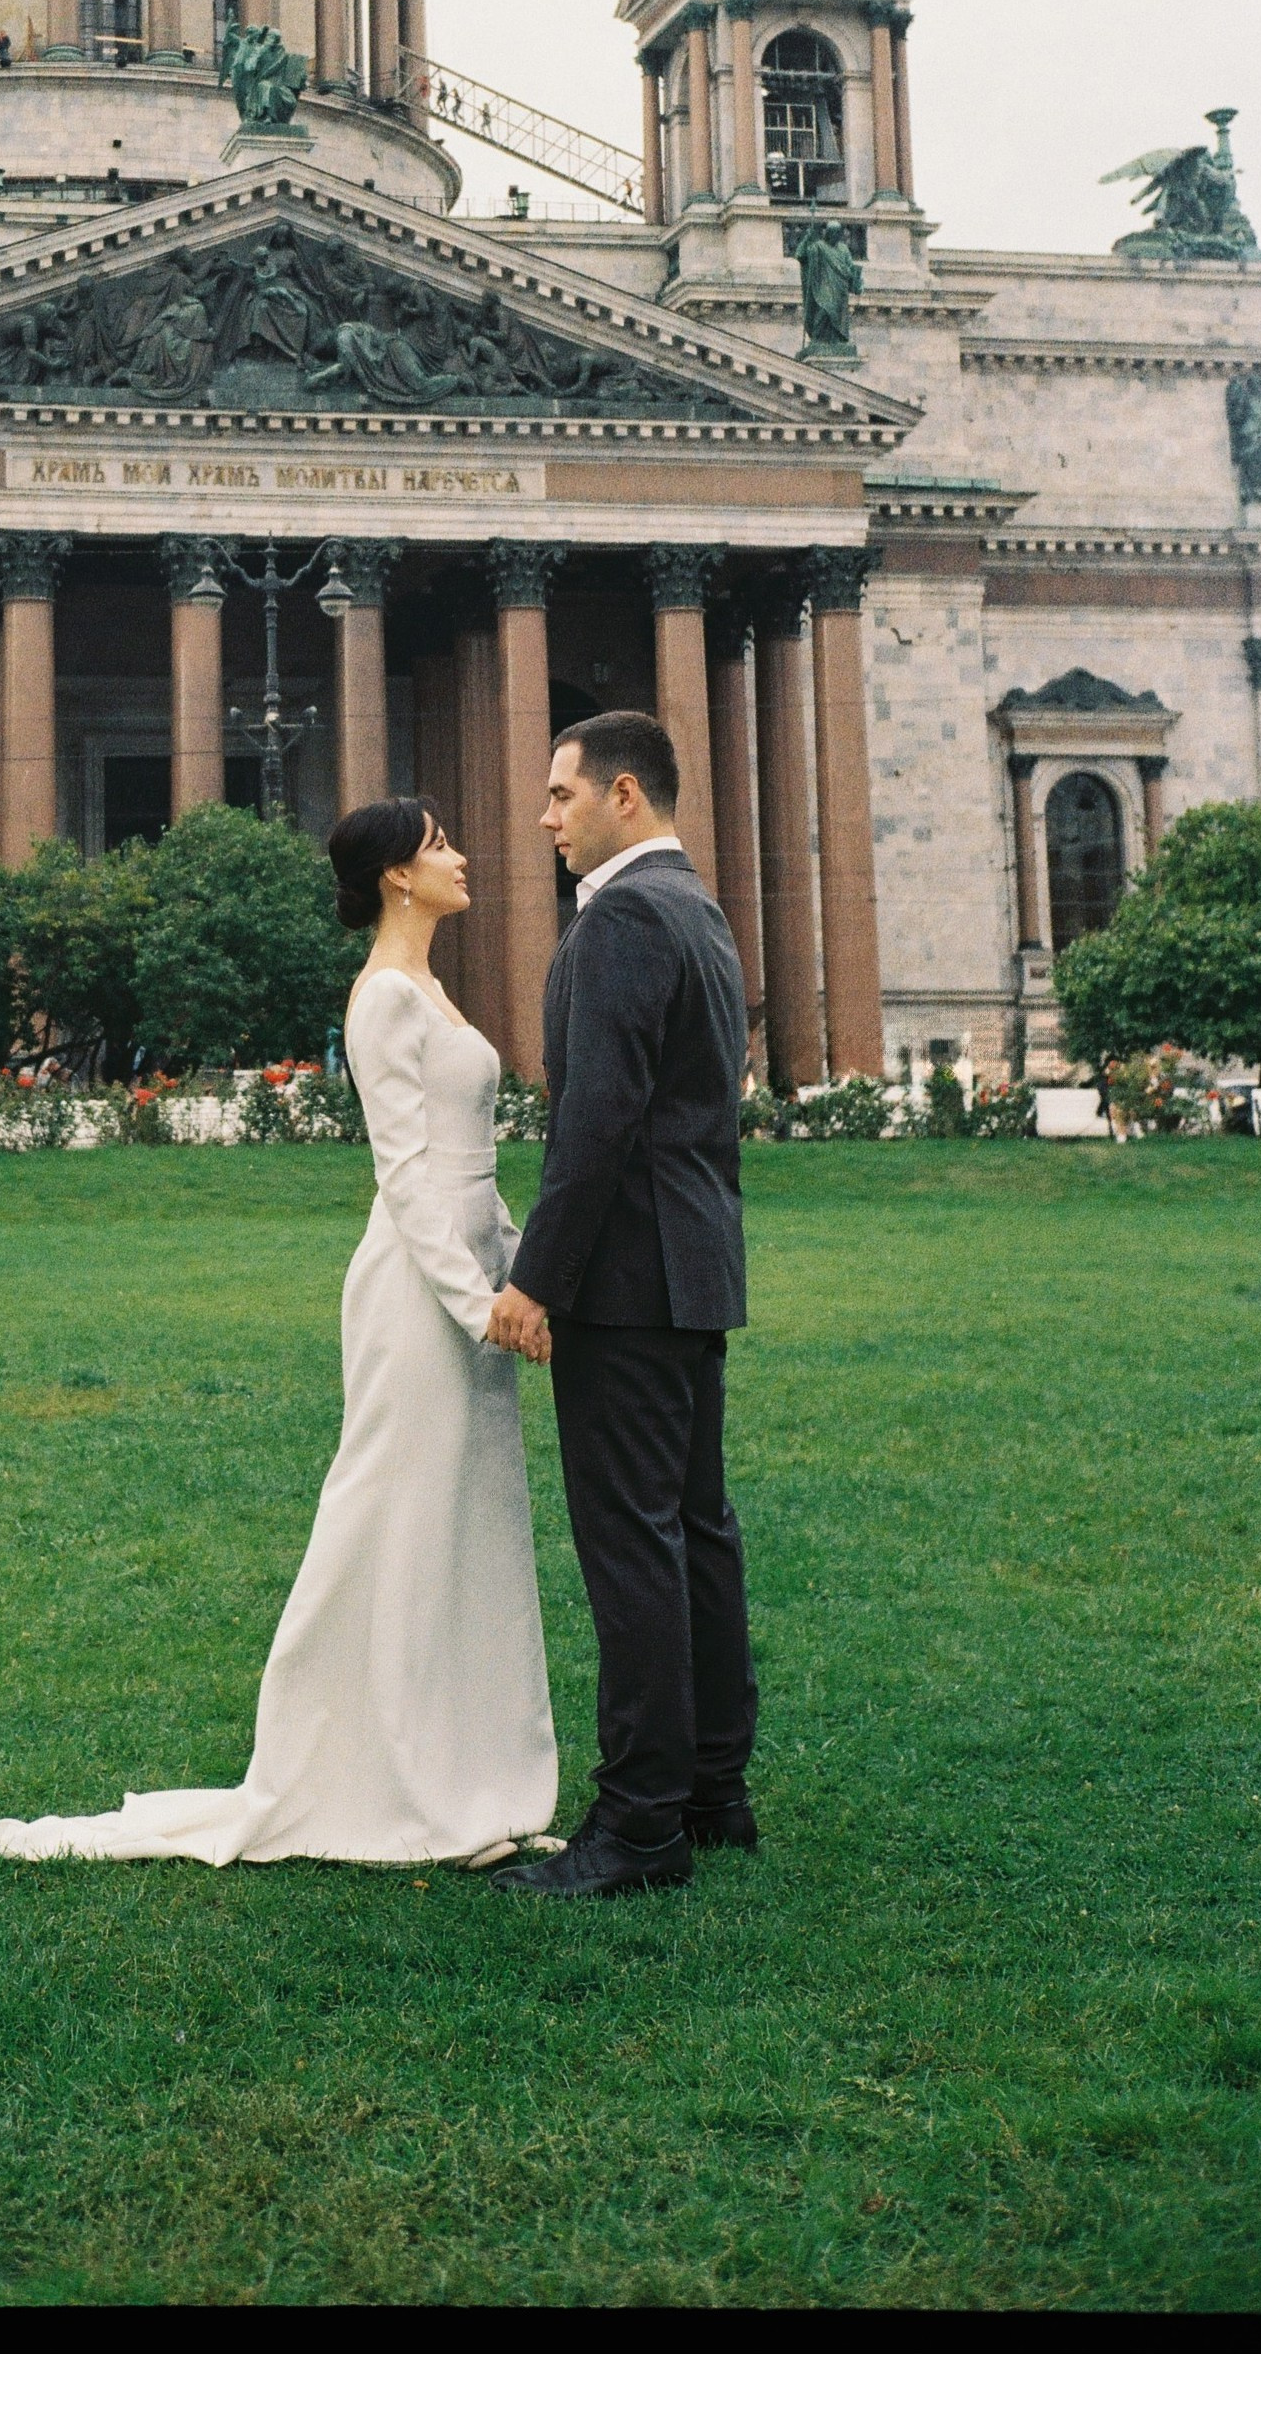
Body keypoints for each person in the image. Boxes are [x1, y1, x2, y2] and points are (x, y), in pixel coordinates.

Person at [0, 798, 559, 1869]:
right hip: (418, 1295)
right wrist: (472, 1301)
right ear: (395, 875)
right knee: (393, 1522)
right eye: (438, 843)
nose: (460, 855)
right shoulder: (382, 998)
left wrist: (524, 1273)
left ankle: (481, 1784)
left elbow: (471, 1169)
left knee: (472, 1529)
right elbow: (406, 1175)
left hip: (476, 1274)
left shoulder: (431, 986)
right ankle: (397, 1785)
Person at [487, 711, 757, 1901]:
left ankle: (641, 1825)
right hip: (692, 1271)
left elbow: (596, 1122)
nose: (547, 816)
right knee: (694, 1531)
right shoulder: (697, 907)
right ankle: (710, 1791)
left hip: (632, 1280)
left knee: (634, 1543)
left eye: (563, 794)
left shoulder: (624, 918)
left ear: (625, 793)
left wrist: (536, 1279)